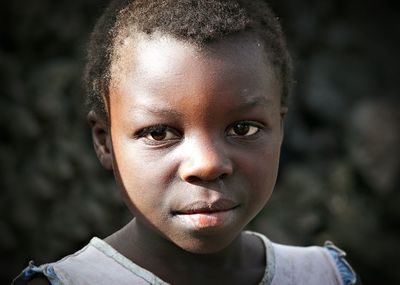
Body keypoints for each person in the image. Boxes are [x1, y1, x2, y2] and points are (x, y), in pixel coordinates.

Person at [13, 0, 359, 284]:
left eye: (243, 129)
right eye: (159, 133)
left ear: (280, 128)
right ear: (105, 142)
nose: (207, 164)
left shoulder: (323, 276)